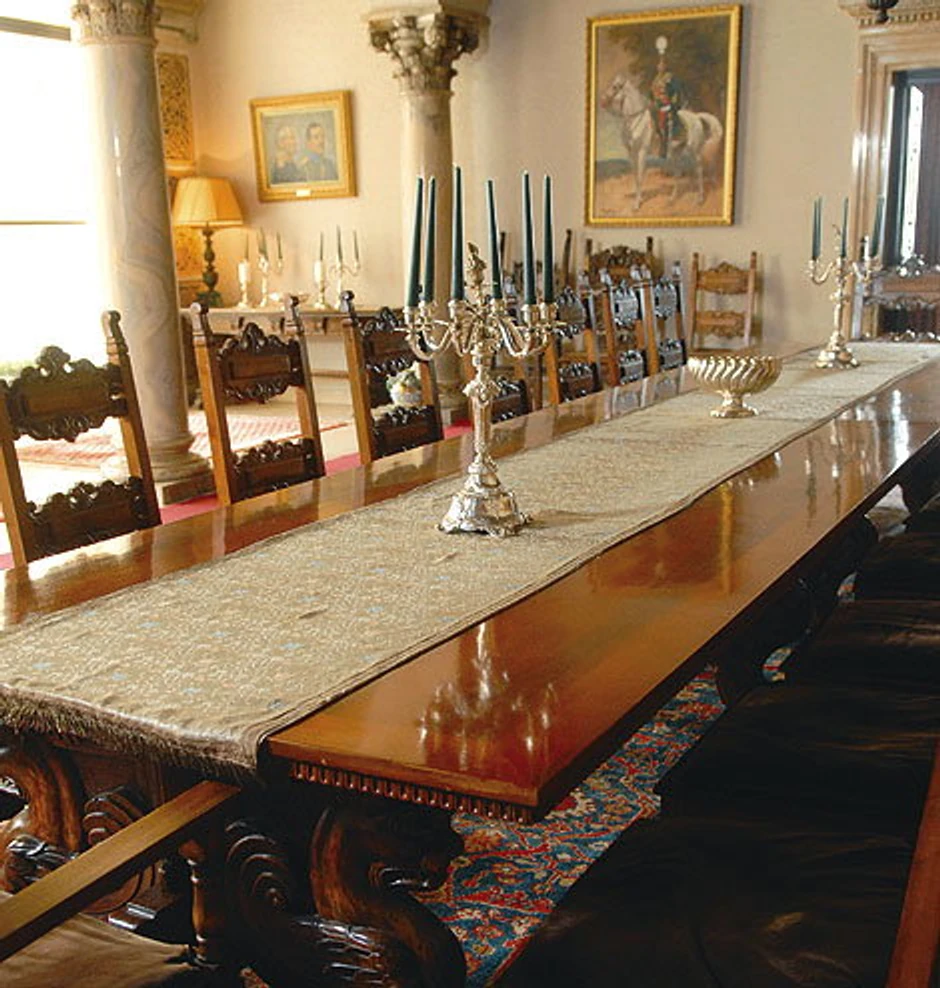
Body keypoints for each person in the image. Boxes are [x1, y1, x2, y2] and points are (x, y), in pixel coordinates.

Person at [650, 54, 684, 160]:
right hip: (657, 104)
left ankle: (676, 137)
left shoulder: (670, 77)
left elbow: (676, 91)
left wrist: (672, 104)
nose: (660, 67)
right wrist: (653, 101)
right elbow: (652, 93)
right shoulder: (656, 79)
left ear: (666, 66)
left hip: (668, 103)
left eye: (662, 64)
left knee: (666, 118)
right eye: (659, 64)